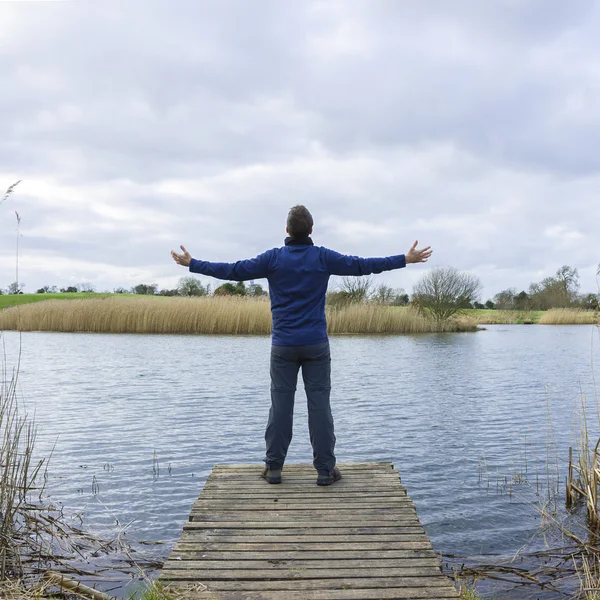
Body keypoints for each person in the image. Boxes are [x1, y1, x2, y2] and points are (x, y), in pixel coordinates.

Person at [171, 205, 432, 486]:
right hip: (316, 345)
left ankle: (273, 468)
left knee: (280, 406)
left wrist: (193, 263)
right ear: (311, 230)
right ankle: (324, 470)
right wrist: (404, 259)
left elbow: (233, 271)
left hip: (283, 345)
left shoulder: (273, 259)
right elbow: (362, 265)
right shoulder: (322, 257)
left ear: (286, 231)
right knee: (319, 405)